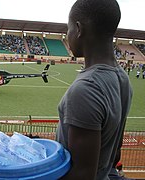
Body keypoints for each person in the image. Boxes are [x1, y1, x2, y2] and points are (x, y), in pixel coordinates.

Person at [56, 0, 133, 180]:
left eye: (68, 29)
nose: (68, 36)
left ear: (79, 29)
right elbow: (115, 154)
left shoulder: (86, 89)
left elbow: (82, 175)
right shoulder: (123, 78)